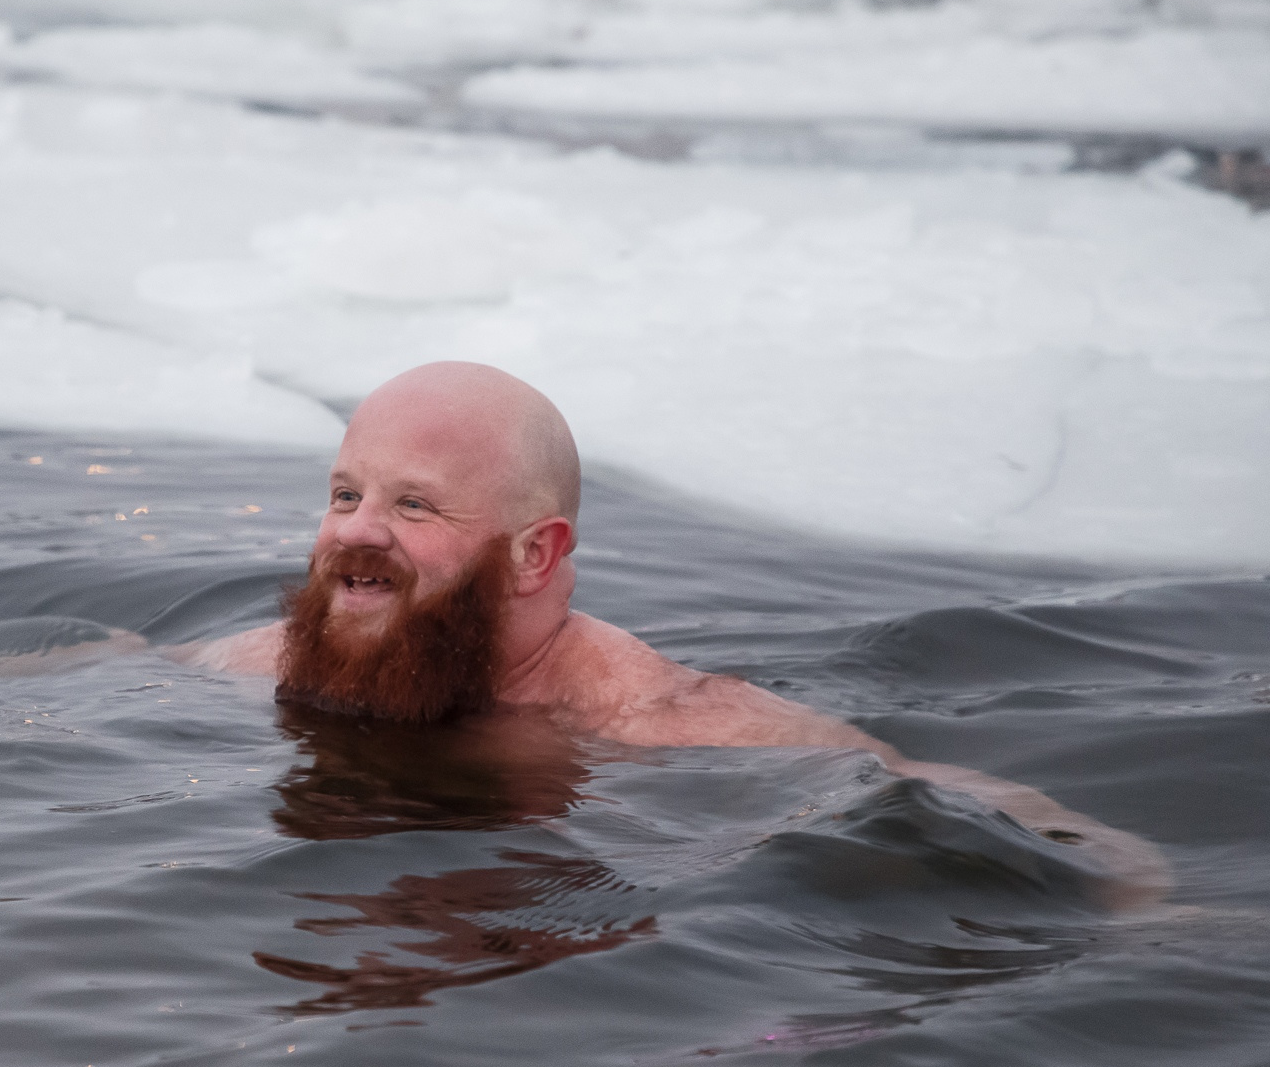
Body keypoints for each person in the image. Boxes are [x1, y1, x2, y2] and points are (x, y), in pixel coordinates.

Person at [179, 360, 1167, 907]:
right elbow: (93, 679)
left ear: (534, 554)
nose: (355, 529)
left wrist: (1147, 902)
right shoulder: (270, 663)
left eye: (414, 505)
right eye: (345, 492)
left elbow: (960, 804)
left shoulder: (658, 720)